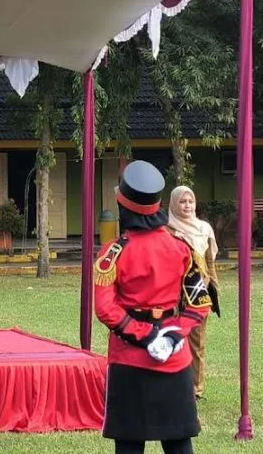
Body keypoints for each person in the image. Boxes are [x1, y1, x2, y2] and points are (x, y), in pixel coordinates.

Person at [94, 160, 214, 454]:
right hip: (174, 356)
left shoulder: (114, 252)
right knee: (178, 442)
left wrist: (146, 335)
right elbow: (199, 303)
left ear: (123, 207)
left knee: (129, 444)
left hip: (128, 358)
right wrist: (172, 335)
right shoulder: (182, 247)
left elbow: (105, 308)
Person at [167, 186, 220, 400]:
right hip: (173, 295)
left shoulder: (204, 228)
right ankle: (174, 385)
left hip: (199, 295)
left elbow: (209, 263)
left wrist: (214, 289)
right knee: (173, 340)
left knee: (197, 343)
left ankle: (196, 389)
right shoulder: (167, 230)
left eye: (190, 201)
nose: (187, 205)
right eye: (182, 201)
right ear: (173, 204)